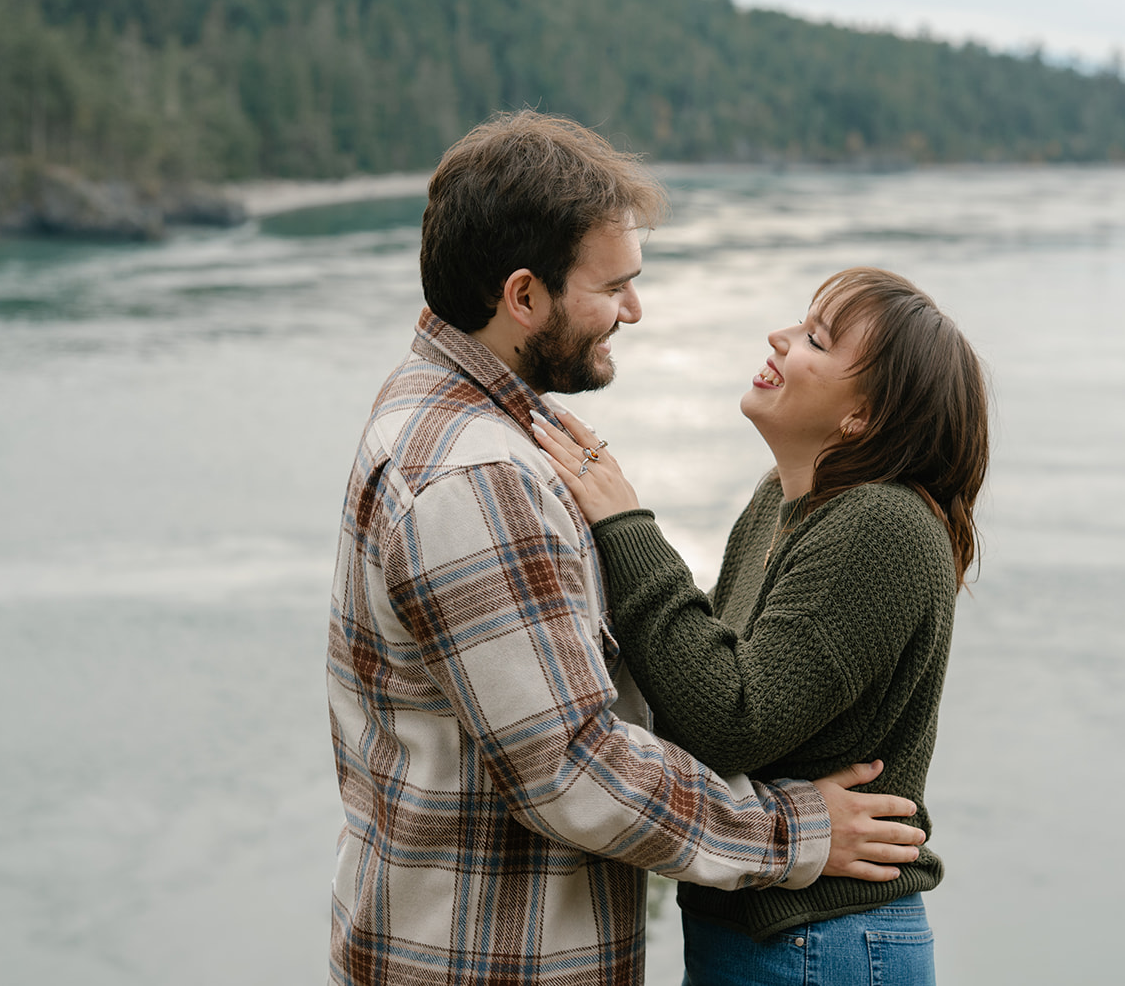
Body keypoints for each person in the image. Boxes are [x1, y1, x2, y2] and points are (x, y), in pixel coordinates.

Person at [325, 114, 928, 986]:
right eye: (614, 286)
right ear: (524, 296)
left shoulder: (452, 414)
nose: (634, 310)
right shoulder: (481, 477)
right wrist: (798, 832)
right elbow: (574, 768)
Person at [532, 266, 990, 985]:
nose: (778, 337)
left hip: (821, 941)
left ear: (861, 417)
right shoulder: (779, 502)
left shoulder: (883, 524)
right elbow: (690, 681)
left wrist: (623, 522)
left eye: (814, 338)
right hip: (771, 935)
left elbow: (730, 717)